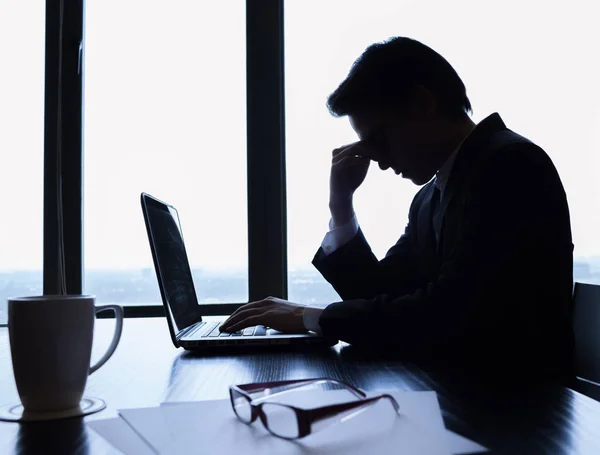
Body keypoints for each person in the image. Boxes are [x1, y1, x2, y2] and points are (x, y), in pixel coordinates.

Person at [221, 37, 574, 379]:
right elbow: (380, 295)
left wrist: (311, 316)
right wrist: (340, 205)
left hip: (519, 410)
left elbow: (448, 312)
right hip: (461, 392)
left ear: (422, 104)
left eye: (378, 138)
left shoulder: (509, 165)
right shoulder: (429, 197)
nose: (377, 160)